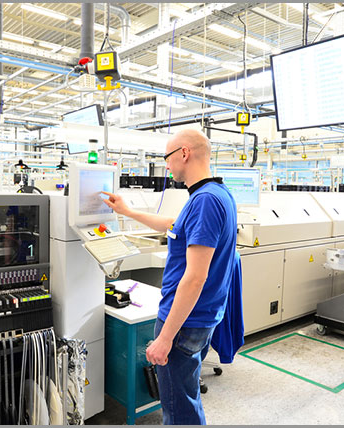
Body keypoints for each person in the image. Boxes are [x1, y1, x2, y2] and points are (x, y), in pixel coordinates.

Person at [101, 129, 238, 425]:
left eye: (167, 158)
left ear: (184, 153)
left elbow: (194, 278)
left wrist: (164, 338)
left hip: (185, 322)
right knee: (187, 397)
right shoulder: (213, 194)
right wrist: (127, 211)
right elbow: (171, 224)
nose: (166, 165)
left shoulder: (205, 201)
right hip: (200, 318)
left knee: (177, 409)